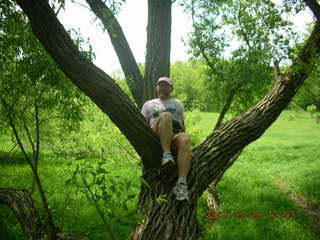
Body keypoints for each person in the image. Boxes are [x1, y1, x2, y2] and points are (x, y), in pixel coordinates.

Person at [141, 76, 192, 201]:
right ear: (156, 87)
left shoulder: (178, 103)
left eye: (165, 85)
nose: (162, 87)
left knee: (185, 138)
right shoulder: (149, 104)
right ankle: (166, 154)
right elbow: (142, 125)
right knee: (166, 116)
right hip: (157, 134)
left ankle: (181, 185)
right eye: (160, 85)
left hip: (174, 134)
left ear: (171, 88)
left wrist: (185, 147)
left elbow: (182, 125)